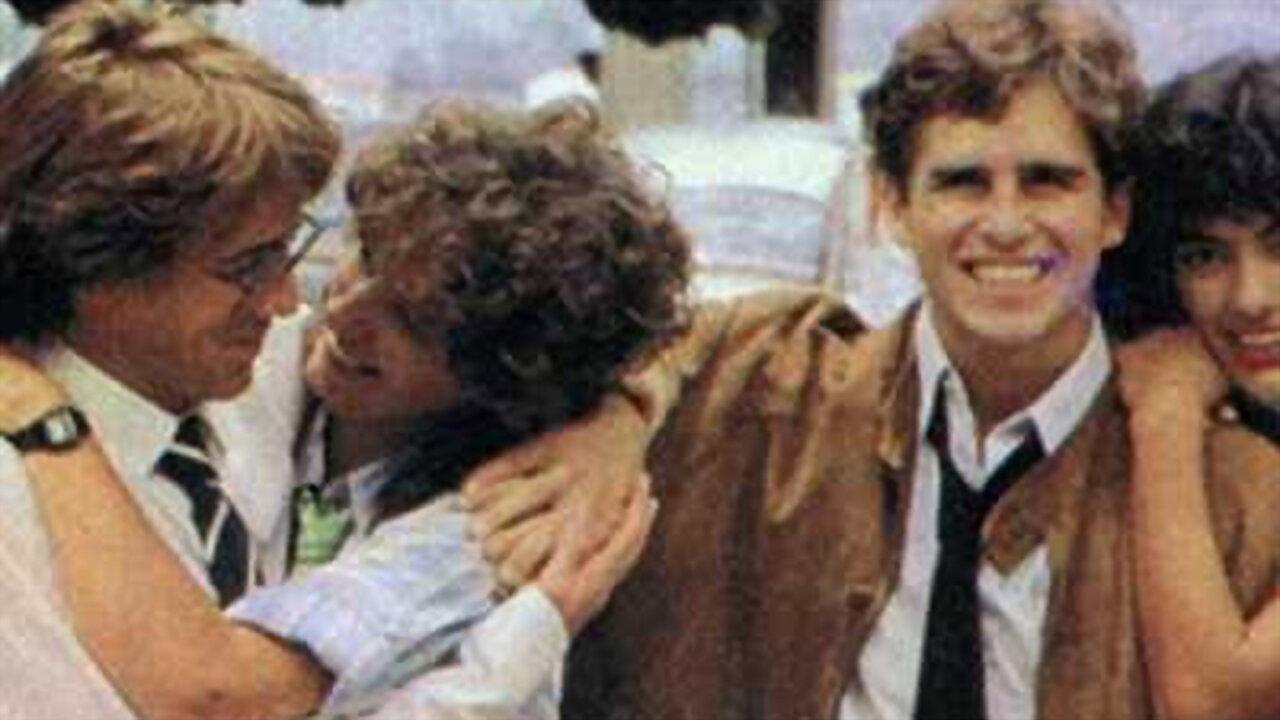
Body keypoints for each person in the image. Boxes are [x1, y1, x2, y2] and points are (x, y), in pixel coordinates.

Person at [455, 1, 1280, 718]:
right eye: (962, 182)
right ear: (889, 203)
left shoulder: (1231, 495)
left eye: (1046, 182)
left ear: (1115, 211)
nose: (1004, 223)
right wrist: (620, 412)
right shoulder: (753, 404)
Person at [0, 8, 685, 711]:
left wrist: (612, 423)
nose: (303, 305)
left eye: (413, 324)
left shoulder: (488, 511)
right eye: (366, 257)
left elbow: (224, 695)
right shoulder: (217, 380)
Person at [0, 1, 340, 717]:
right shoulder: (14, 507)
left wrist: (589, 446)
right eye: (246, 266)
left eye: (285, 250)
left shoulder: (263, 367)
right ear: (98, 269)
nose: (283, 302)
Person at [1102, 54, 1280, 720]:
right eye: (1205, 256)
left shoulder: (1173, 413)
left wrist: (1167, 411)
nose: (1251, 298)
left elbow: (1214, 702)